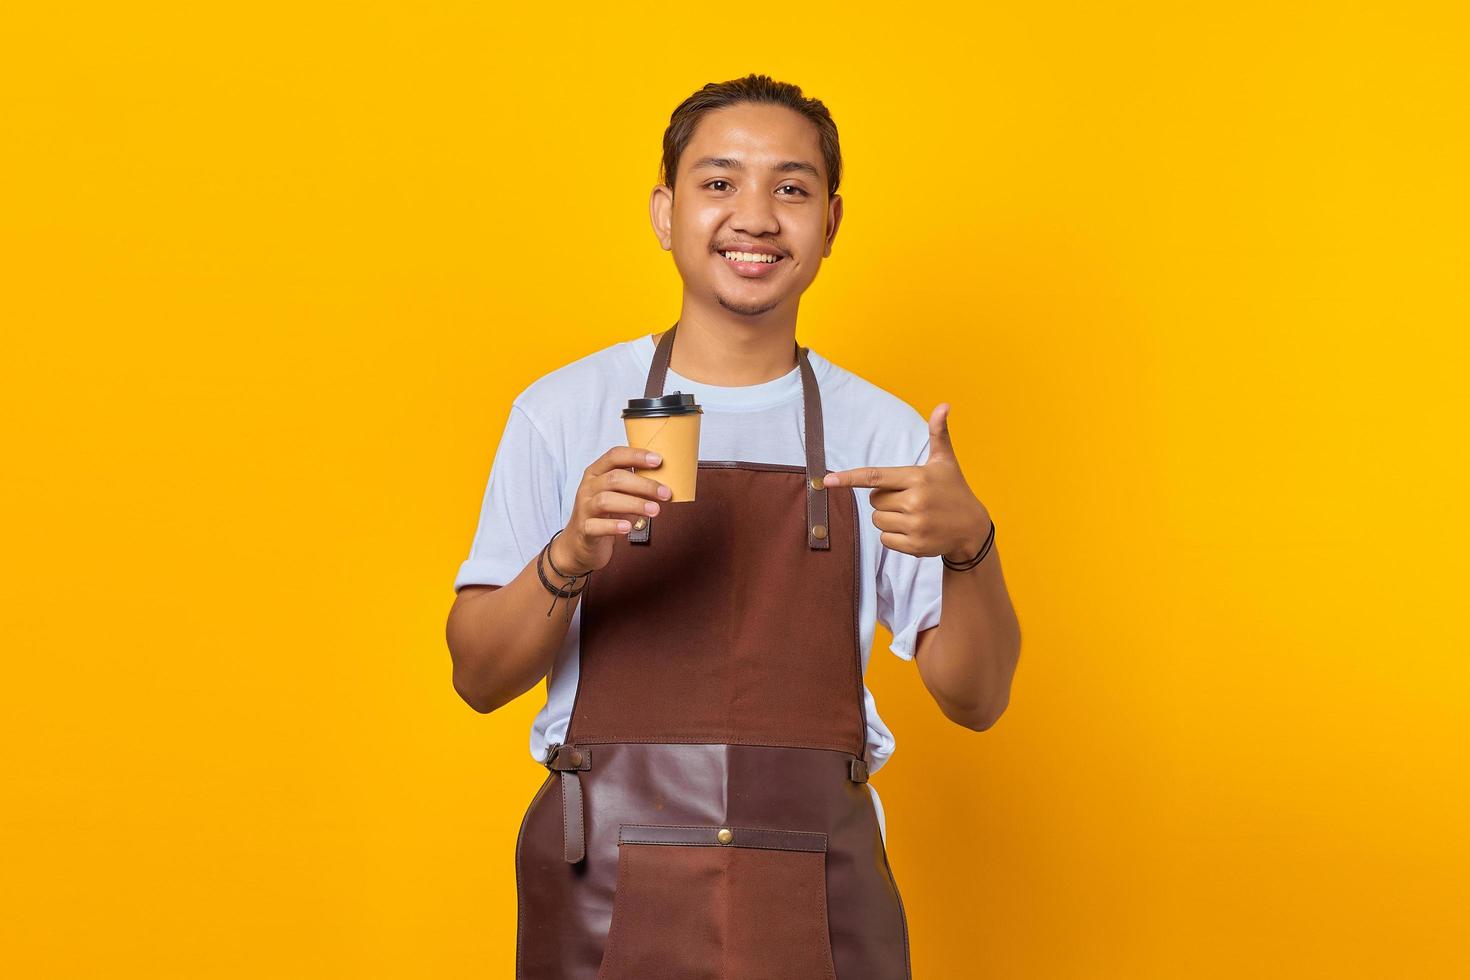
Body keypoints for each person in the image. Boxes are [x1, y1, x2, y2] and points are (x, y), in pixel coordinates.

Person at [446, 73, 1021, 979]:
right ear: (665, 211)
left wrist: (970, 545)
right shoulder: (562, 411)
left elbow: (977, 699)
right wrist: (569, 555)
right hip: (602, 883)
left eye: (789, 188)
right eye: (719, 182)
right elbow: (477, 678)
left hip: (819, 890)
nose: (754, 216)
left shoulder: (887, 435)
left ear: (830, 223)